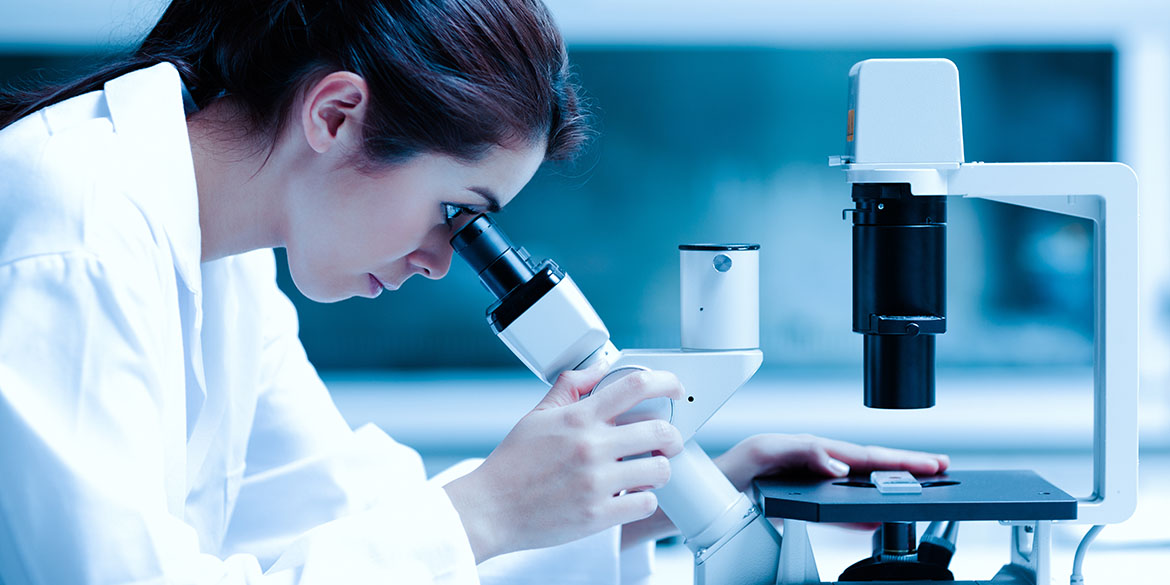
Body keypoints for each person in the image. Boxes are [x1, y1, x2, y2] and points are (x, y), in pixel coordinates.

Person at [0, 1, 950, 583]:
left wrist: (687, 490)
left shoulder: (225, 257)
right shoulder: (75, 233)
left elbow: (343, 514)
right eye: (456, 212)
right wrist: (488, 506)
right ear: (335, 115)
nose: (442, 260)